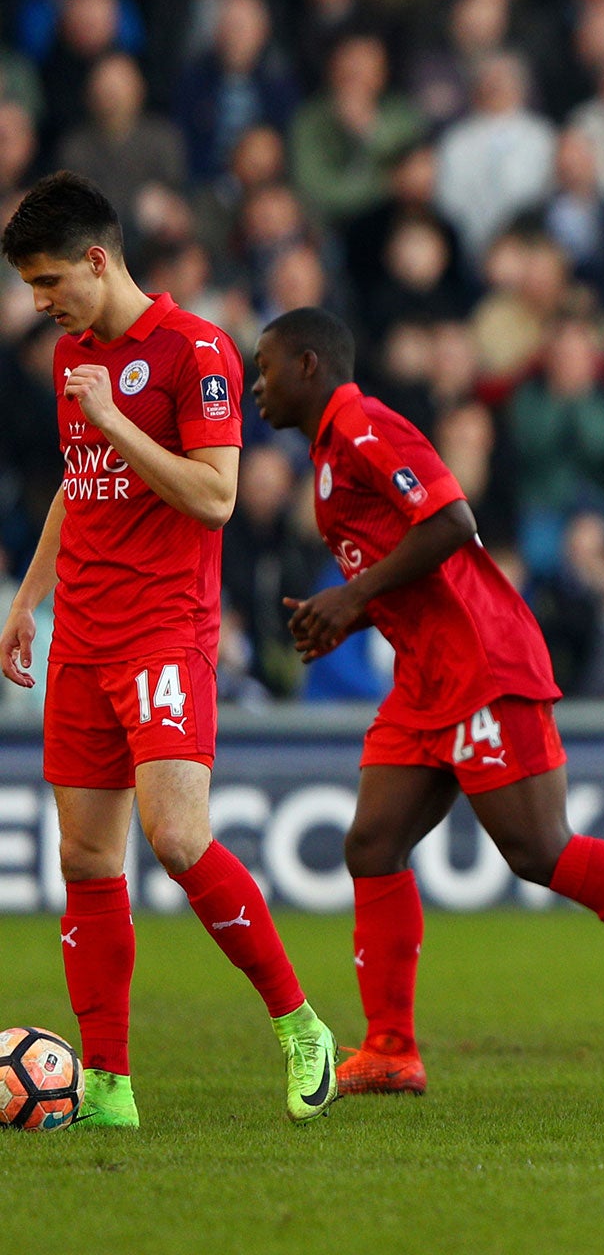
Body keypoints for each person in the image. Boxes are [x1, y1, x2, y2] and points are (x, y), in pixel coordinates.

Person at [249, 306, 604, 1089]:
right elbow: (402, 558)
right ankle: (390, 1049)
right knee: (371, 845)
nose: (257, 387)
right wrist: (354, 615)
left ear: (311, 366)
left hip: (483, 661)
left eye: (267, 367)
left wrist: (351, 600)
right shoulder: (325, 452)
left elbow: (452, 521)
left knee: (539, 851)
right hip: (426, 676)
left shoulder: (362, 425)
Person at [0, 171, 338, 1129]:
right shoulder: (76, 358)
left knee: (177, 837)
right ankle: (107, 1084)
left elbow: (216, 496)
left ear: (98, 261)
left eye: (48, 280)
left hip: (162, 633)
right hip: (83, 639)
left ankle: (300, 1025)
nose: (39, 302)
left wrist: (112, 419)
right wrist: (29, 602)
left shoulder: (198, 351)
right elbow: (81, 483)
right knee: (87, 860)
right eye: (30, 287)